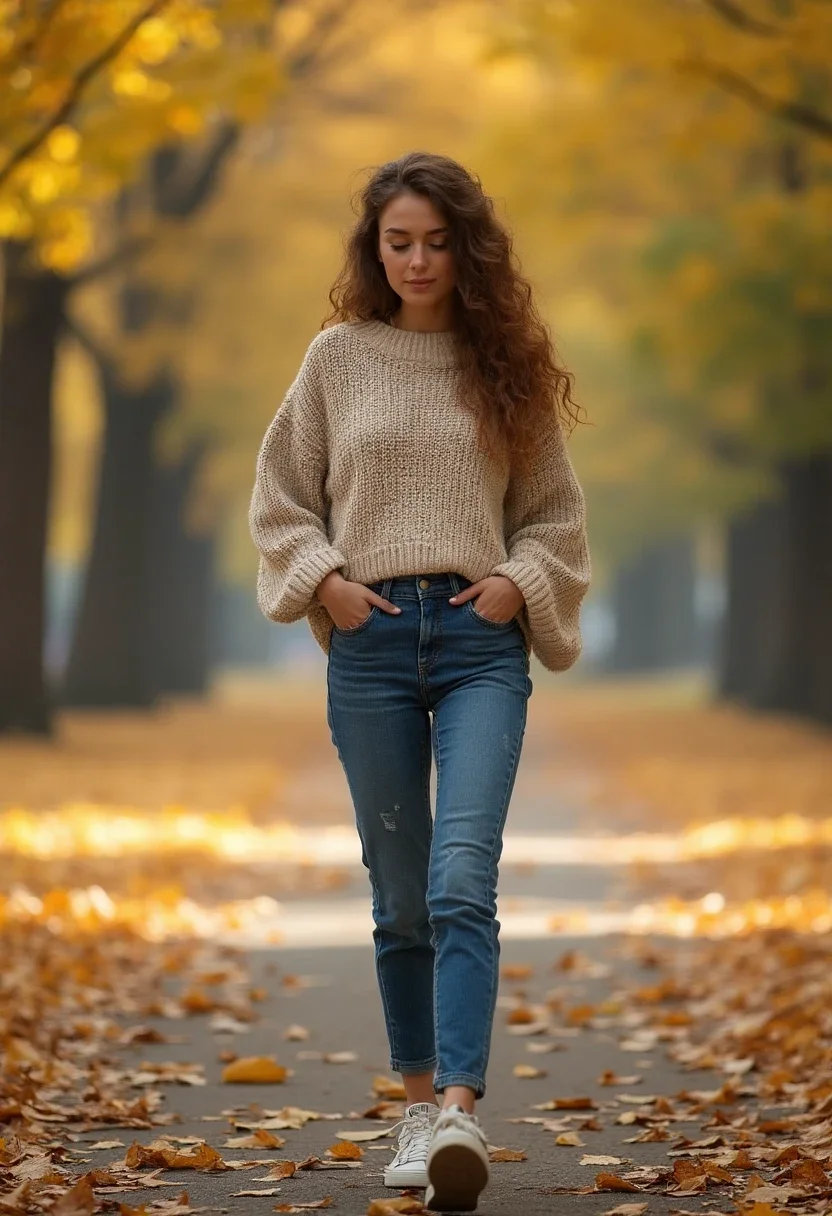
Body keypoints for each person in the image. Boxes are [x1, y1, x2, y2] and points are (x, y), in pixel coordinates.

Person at [249, 150, 590, 1213]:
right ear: (374, 247)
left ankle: (457, 1109)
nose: (417, 259)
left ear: (465, 247)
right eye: (398, 241)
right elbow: (280, 500)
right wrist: (328, 586)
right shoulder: (336, 360)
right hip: (374, 644)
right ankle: (410, 1107)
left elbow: (556, 519)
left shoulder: (505, 367)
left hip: (483, 641)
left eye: (437, 241)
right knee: (400, 896)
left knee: (459, 878)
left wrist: (516, 582)